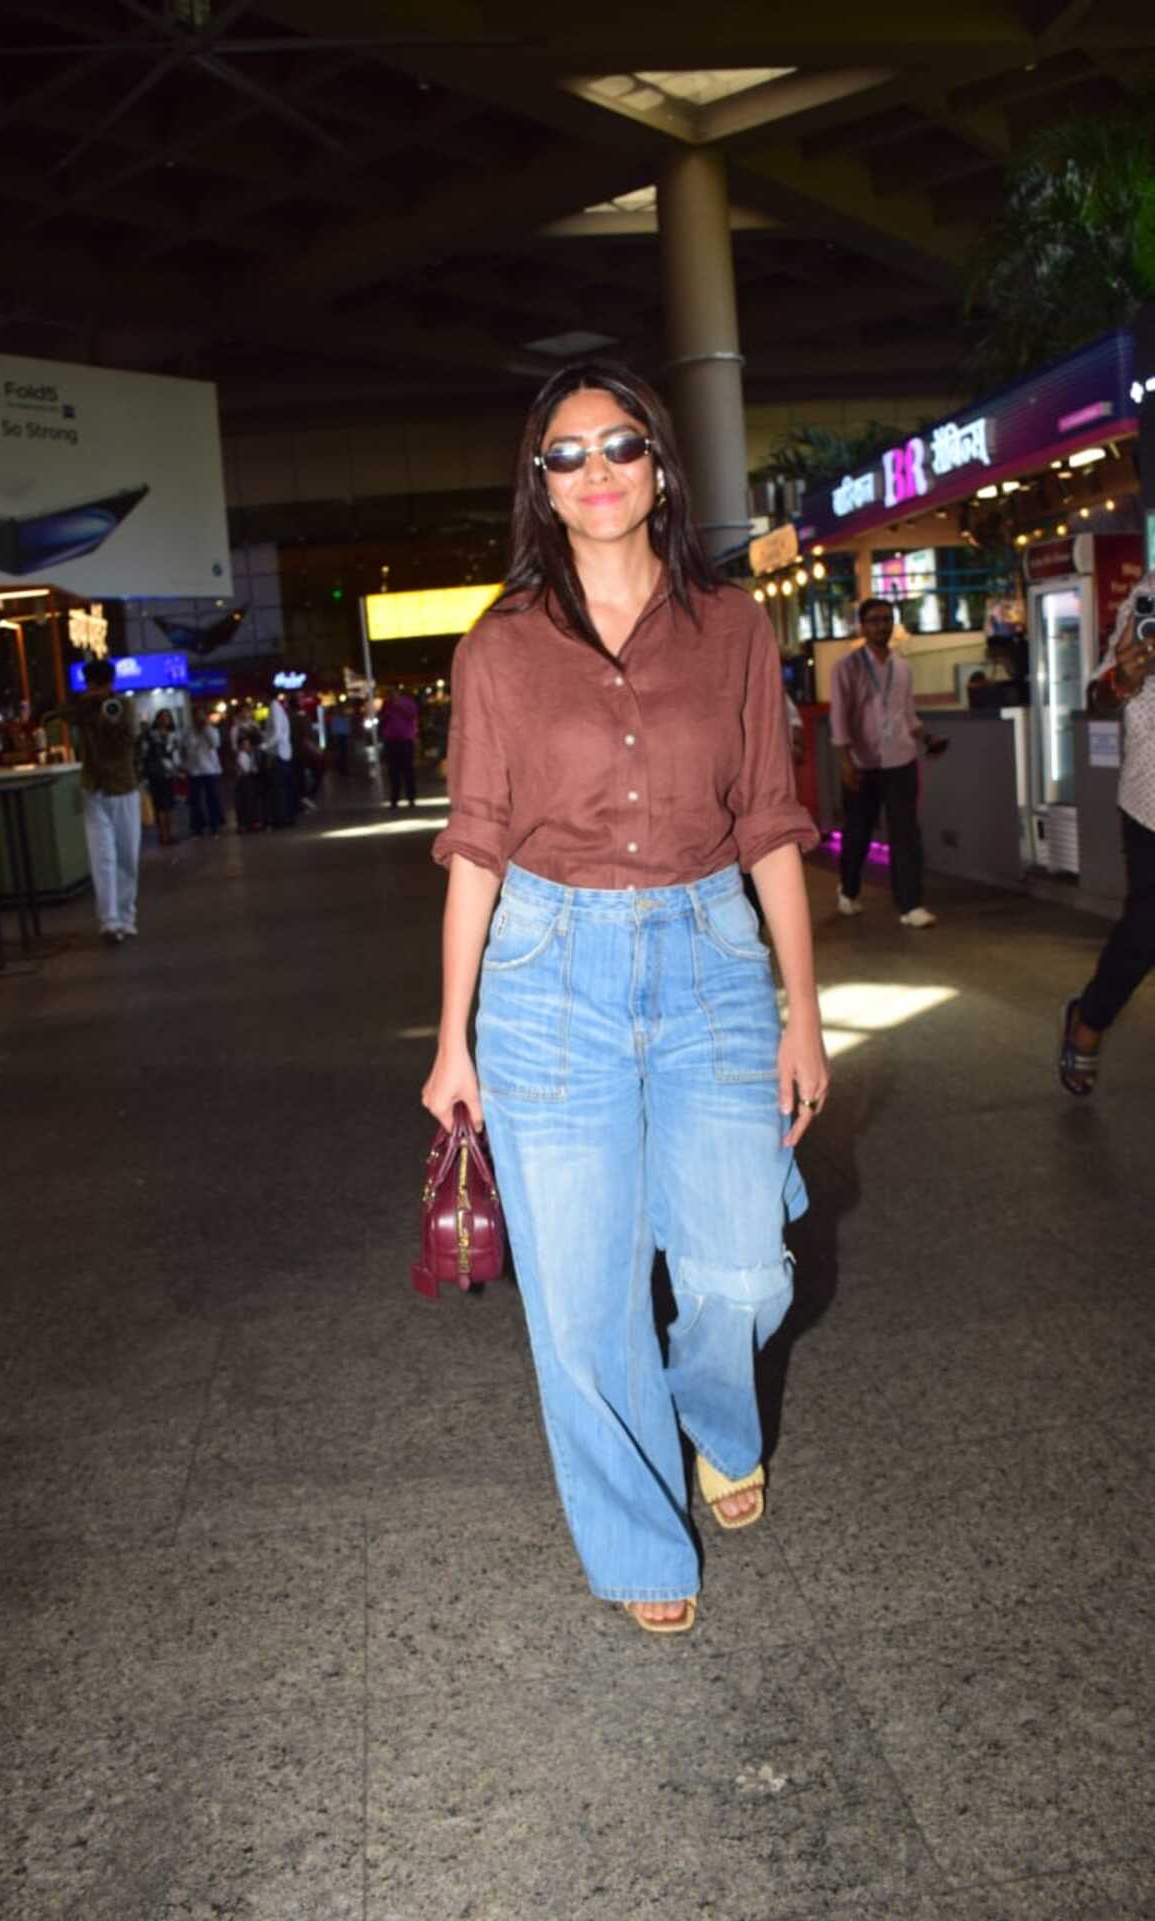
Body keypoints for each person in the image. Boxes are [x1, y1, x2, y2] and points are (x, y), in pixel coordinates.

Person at [423, 361, 828, 1636]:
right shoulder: (497, 645)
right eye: (566, 454)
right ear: (539, 487)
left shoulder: (733, 629)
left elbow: (769, 824)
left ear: (659, 466)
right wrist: (450, 1041)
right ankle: (637, 1533)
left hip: (711, 955)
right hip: (548, 975)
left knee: (745, 1273)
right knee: (583, 1297)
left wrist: (801, 1012)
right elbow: (474, 847)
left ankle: (713, 1413)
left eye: (619, 445)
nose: (595, 470)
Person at [1059, 575, 1155, 1095]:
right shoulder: (1147, 597)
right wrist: (1125, 678)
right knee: (1146, 932)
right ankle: (1090, 1020)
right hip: (1153, 802)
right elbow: (1099, 698)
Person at [829, 596, 936, 928]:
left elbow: (907, 715)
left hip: (901, 759)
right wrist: (846, 761)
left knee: (906, 832)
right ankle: (848, 889)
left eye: (887, 619)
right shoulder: (845, 668)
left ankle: (910, 905)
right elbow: (840, 718)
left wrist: (926, 737)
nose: (882, 626)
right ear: (862, 626)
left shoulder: (902, 668)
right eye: (874, 620)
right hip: (863, 762)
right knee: (858, 832)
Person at [45, 658, 141, 944]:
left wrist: (108, 712)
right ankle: (110, 921)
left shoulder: (123, 705)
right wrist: (87, 701)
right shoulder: (84, 706)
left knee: (126, 857)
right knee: (104, 857)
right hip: (95, 787)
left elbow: (129, 736)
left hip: (122, 785)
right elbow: (61, 712)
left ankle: (125, 917)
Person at [140, 706, 181, 846]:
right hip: (156, 774)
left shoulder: (173, 735)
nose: (165, 720)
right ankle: (163, 835)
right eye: (162, 717)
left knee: (169, 804)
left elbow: (176, 753)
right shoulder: (151, 735)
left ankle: (169, 833)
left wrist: (178, 768)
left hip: (169, 773)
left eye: (167, 717)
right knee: (160, 806)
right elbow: (144, 753)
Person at [184, 706, 225, 836]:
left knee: (212, 798)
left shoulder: (211, 730)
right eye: (196, 716)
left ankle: (214, 825)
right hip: (194, 770)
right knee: (196, 800)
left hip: (210, 769)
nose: (198, 718)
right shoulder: (189, 732)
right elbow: (186, 748)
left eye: (201, 715)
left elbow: (216, 744)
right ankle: (198, 827)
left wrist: (206, 729)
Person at [379, 687, 419, 807]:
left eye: (393, 693)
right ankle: (394, 799)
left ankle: (411, 798)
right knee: (393, 771)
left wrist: (399, 708)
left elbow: (413, 716)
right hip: (391, 740)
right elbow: (383, 719)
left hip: (405, 739)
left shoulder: (408, 703)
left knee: (408, 770)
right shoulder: (387, 704)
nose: (391, 695)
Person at [263, 690, 297, 827]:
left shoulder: (274, 708)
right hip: (283, 753)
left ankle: (283, 818)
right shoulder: (278, 708)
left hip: (279, 754)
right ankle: (286, 817)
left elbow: (276, 733)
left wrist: (265, 746)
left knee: (280, 789)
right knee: (284, 788)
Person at [233, 725, 267, 833]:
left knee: (251, 802)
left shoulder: (249, 754)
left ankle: (251, 822)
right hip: (244, 782)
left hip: (249, 781)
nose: (247, 746)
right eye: (244, 745)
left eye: (247, 744)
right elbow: (246, 769)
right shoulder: (241, 755)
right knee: (245, 803)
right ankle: (246, 823)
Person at [328, 701, 352, 775]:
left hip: (343, 737)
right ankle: (340, 768)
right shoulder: (336, 719)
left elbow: (347, 728)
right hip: (339, 737)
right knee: (340, 753)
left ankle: (343, 767)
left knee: (344, 753)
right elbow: (334, 729)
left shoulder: (344, 718)